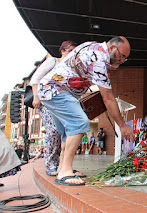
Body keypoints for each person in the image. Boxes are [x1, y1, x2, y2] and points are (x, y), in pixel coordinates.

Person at [38, 36, 135, 186]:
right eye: (121, 56)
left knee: (66, 131)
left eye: (125, 58)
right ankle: (64, 173)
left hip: (48, 90)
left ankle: (62, 167)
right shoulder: (100, 60)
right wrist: (123, 126)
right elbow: (108, 98)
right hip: (56, 90)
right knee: (79, 122)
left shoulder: (91, 45)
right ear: (111, 48)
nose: (122, 61)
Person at [30, 40, 85, 177]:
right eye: (71, 50)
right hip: (47, 100)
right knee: (53, 131)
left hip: (62, 102)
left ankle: (64, 166)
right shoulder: (53, 62)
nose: (73, 53)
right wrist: (36, 97)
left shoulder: (72, 67)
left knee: (68, 133)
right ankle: (51, 164)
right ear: (63, 50)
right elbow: (35, 78)